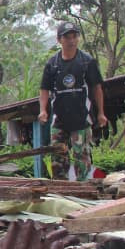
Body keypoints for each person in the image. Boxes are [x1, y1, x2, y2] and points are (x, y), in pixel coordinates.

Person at [39, 21, 108, 181]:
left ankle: (84, 192)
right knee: (57, 158)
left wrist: (101, 113)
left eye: (74, 36)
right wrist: (43, 110)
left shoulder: (86, 61)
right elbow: (44, 89)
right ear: (59, 40)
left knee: (81, 158)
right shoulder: (52, 64)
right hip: (59, 119)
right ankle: (60, 192)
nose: (71, 41)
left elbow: (97, 88)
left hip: (81, 119)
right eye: (67, 37)